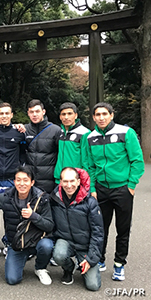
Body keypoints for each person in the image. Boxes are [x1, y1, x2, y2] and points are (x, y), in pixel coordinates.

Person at [86, 102, 144, 280]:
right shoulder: (91, 137)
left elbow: (137, 160)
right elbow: (90, 166)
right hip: (101, 190)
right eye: (98, 115)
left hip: (122, 189)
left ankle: (119, 264)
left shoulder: (126, 132)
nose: (101, 118)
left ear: (112, 115)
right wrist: (93, 188)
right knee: (100, 227)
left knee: (123, 228)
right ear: (94, 117)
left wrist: (131, 185)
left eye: (105, 114)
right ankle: (100, 258)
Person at [0, 166, 54, 285]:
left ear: (32, 182)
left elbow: (49, 226)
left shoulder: (42, 198)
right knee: (12, 279)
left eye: (25, 180)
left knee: (46, 246)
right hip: (17, 244)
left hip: (36, 241)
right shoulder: (6, 197)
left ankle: (40, 268)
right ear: (14, 182)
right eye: (18, 180)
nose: (22, 183)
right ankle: (21, 258)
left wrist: (33, 216)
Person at [51, 167, 103, 291]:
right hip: (65, 240)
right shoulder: (54, 198)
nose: (69, 185)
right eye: (65, 181)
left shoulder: (90, 202)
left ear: (78, 182)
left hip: (85, 245)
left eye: (72, 181)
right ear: (60, 182)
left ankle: (84, 263)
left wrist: (90, 259)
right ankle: (69, 268)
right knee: (58, 255)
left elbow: (98, 232)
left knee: (93, 286)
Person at [0, 103, 26, 253]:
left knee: (11, 214)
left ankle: (9, 242)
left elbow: (23, 152)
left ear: (11, 115)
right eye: (1, 113)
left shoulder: (19, 133)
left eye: (7, 113)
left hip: (11, 179)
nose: (4, 116)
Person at [24, 99, 60, 193]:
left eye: (37, 111)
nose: (34, 115)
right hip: (29, 179)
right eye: (31, 112)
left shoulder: (55, 130)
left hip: (49, 180)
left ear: (43, 112)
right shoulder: (24, 129)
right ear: (28, 113)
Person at [54, 103, 90, 184]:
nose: (66, 117)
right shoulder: (59, 132)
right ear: (60, 117)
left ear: (76, 115)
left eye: (69, 114)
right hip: (59, 179)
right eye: (63, 114)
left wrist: (84, 180)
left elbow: (86, 160)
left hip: (75, 180)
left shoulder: (84, 133)